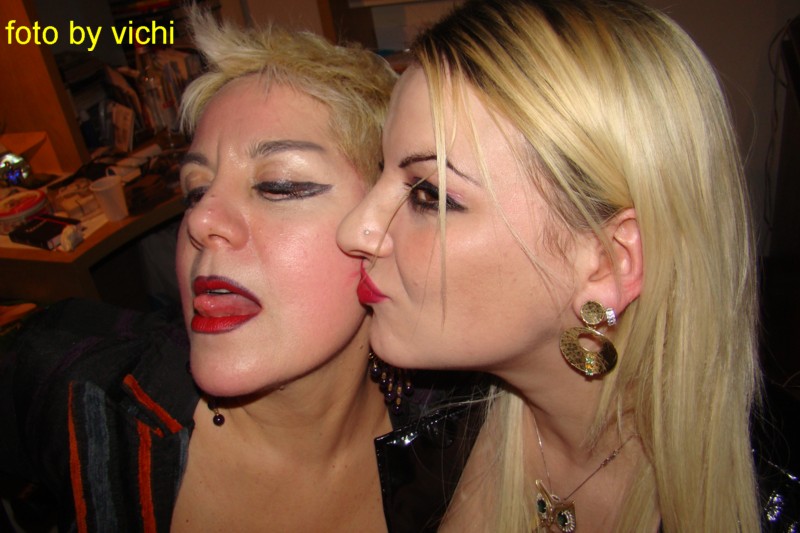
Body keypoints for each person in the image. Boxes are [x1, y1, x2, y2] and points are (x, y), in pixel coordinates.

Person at [338, 0, 798, 531]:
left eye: (430, 195)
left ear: (608, 262)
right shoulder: (424, 407)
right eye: (383, 171)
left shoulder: (770, 499)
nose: (354, 229)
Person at [0, 9, 399, 531]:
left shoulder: (464, 429)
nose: (201, 219)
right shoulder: (75, 396)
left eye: (277, 185)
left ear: (389, 226)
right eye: (195, 191)